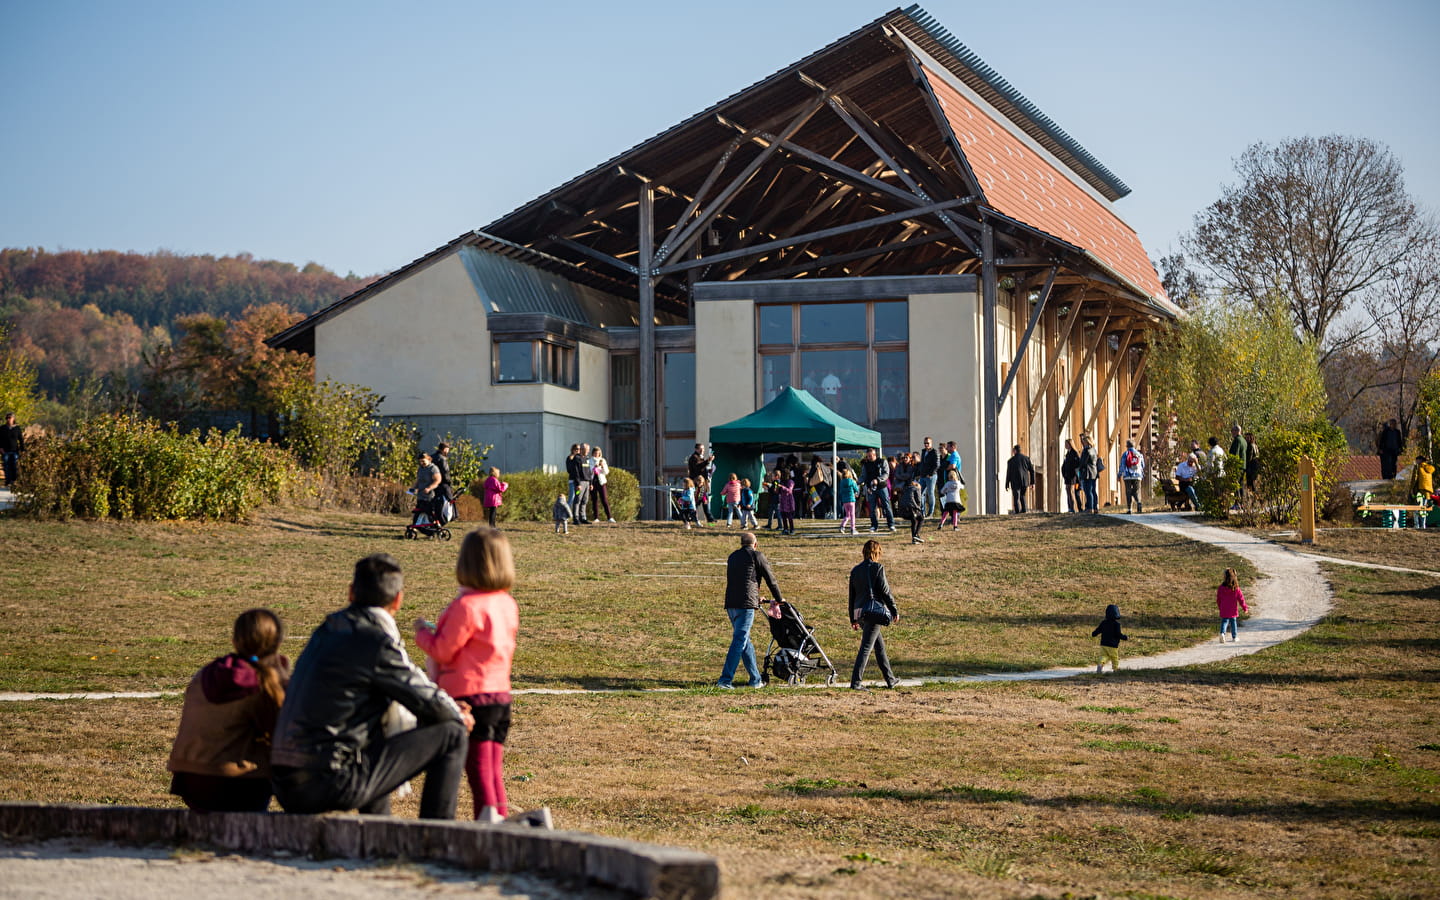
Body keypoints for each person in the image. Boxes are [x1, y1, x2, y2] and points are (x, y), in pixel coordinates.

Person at [271, 554, 472, 820]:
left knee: (375, 725)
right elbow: (425, 699)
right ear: (398, 599)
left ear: (351, 592)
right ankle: (436, 836)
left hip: (284, 780)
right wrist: (457, 713)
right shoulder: (375, 640)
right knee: (453, 733)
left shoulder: (327, 630)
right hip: (327, 779)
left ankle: (380, 828)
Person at [414, 529, 520, 823]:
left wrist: (423, 633)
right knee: (492, 768)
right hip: (500, 695)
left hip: (472, 697)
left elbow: (444, 651)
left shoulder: (467, 606)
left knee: (479, 772)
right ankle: (501, 821)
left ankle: (489, 828)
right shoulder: (507, 604)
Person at [167, 608, 290, 812]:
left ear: (235, 641)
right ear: (277, 644)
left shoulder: (208, 673)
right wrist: (284, 684)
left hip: (188, 778)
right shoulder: (262, 684)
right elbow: (283, 730)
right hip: (236, 783)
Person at [716, 532, 783, 689]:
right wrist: (779, 599)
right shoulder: (757, 555)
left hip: (731, 603)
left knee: (745, 641)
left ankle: (755, 679)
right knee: (739, 641)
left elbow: (742, 579)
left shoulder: (732, 556)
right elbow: (770, 580)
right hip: (745, 605)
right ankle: (725, 680)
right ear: (755, 544)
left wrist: (756, 596)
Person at [848, 539, 898, 691]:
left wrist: (853, 618)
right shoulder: (878, 568)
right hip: (873, 612)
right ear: (877, 553)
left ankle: (890, 679)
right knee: (866, 648)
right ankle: (856, 682)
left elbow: (852, 596)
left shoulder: (855, 570)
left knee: (879, 646)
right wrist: (894, 610)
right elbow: (885, 592)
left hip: (860, 612)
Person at [861, 448, 894, 532]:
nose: (869, 457)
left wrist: (878, 480)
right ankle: (874, 525)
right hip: (871, 488)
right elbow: (863, 476)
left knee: (886, 506)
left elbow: (886, 474)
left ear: (875, 454)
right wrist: (855, 481)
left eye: (871, 456)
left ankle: (891, 524)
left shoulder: (882, 462)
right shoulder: (866, 464)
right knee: (872, 508)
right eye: (868, 456)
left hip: (882, 487)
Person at [1091, 604, 1128, 673]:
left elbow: (1098, 630)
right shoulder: (1117, 624)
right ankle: (1115, 669)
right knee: (1114, 658)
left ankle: (1100, 664)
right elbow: (1118, 634)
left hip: (1103, 644)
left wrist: (1094, 634)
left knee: (1103, 656)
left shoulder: (1103, 623)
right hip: (1113, 645)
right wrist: (1124, 637)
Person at [1216, 567, 1249, 643]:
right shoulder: (1236, 588)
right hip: (1233, 609)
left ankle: (1222, 633)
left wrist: (1220, 606)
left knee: (1224, 621)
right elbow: (1241, 599)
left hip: (1224, 608)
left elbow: (1218, 599)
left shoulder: (1221, 588)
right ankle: (1234, 637)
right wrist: (1245, 608)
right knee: (1233, 622)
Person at [1004, 444, 1035, 514]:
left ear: (1015, 451)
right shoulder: (1026, 459)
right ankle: (1024, 510)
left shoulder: (1011, 461)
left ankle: (1017, 512)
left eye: (1013, 450)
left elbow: (1008, 473)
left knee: (1016, 497)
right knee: (1022, 495)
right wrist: (1032, 482)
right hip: (1024, 481)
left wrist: (1007, 484)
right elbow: (1032, 470)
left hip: (1015, 481)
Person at [413, 452, 443, 524]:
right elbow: (418, 481)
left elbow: (438, 480)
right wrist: (414, 488)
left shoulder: (433, 468)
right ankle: (415, 527)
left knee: (429, 513)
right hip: (420, 496)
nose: (421, 463)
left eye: (423, 461)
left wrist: (429, 488)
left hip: (430, 496)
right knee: (418, 512)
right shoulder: (420, 469)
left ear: (428, 459)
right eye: (420, 461)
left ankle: (436, 526)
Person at [589, 446, 614, 522]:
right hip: (593, 482)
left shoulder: (602, 460)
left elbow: (606, 472)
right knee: (594, 500)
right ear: (593, 453)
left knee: (604, 499)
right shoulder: (589, 461)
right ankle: (596, 518)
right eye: (595, 453)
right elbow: (589, 471)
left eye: (598, 453)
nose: (596, 454)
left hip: (601, 481)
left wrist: (602, 466)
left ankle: (609, 517)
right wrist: (594, 467)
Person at [1119, 440, 1145, 514]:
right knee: (1136, 490)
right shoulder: (1139, 455)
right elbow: (1143, 465)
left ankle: (1129, 508)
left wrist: (1119, 475)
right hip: (1137, 476)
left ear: (1127, 446)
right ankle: (1138, 502)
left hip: (1127, 476)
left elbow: (1122, 466)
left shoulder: (1125, 454)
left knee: (1128, 491)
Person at [566, 445, 590, 525]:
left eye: (588, 449)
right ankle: (575, 518)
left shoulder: (586, 459)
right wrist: (578, 483)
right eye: (586, 449)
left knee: (585, 500)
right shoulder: (577, 459)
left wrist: (590, 482)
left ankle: (583, 517)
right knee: (577, 500)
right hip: (580, 483)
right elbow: (575, 472)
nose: (587, 451)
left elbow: (588, 471)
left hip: (587, 482)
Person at [917, 437, 939, 517]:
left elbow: (936, 465)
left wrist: (930, 474)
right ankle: (922, 512)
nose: (926, 445)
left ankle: (930, 513)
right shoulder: (923, 451)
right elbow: (922, 463)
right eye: (925, 443)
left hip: (931, 476)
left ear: (931, 443)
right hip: (923, 476)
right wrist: (920, 473)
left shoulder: (934, 452)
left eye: (928, 443)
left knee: (930, 493)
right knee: (920, 493)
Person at [898, 476, 925, 544]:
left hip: (902, 511)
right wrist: (918, 509)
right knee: (921, 518)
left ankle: (914, 539)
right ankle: (916, 535)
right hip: (911, 509)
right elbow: (918, 500)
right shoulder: (916, 489)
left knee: (914, 521)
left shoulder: (904, 489)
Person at [1078, 435, 1100, 514]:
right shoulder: (1093, 450)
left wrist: (1079, 468)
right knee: (1093, 490)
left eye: (1084, 442)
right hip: (1094, 472)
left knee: (1088, 491)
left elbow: (1083, 462)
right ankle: (1095, 507)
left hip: (1087, 472)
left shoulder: (1086, 451)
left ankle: (1090, 508)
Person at [836, 463, 859, 535]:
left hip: (845, 501)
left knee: (847, 515)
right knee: (852, 515)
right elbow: (856, 489)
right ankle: (853, 528)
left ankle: (842, 526)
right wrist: (856, 493)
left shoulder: (841, 482)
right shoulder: (852, 481)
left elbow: (841, 491)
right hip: (851, 500)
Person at [1, 412, 22, 488]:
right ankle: (8, 480)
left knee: (14, 465)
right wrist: (1, 449)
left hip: (14, 450)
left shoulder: (17, 428)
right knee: (6, 465)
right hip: (5, 451)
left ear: (13, 418)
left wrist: (23, 450)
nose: (8, 419)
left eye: (9, 418)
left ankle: (14, 480)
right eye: (7, 418)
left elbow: (21, 439)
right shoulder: (2, 428)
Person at [1061, 438, 1081, 513]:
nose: (1065, 445)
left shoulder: (1074, 453)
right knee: (1067, 491)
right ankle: (1069, 507)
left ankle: (1073, 508)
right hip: (1067, 475)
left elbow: (1077, 465)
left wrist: (1074, 473)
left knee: (1071, 491)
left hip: (1072, 476)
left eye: (1067, 444)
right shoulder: (1067, 454)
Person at [776, 470, 796, 535]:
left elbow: (790, 490)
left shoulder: (791, 482)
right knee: (783, 516)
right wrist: (777, 488)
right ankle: (785, 529)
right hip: (782, 501)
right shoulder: (781, 482)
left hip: (789, 502)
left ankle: (792, 529)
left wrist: (782, 487)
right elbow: (778, 492)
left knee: (790, 517)